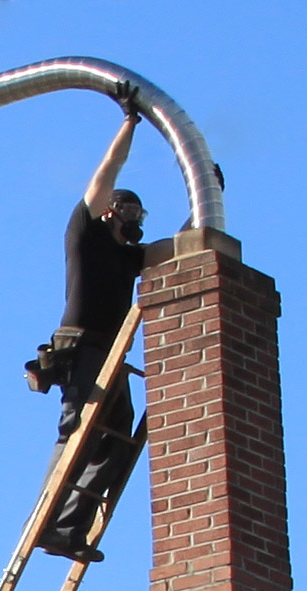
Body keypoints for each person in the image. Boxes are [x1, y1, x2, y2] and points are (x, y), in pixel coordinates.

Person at [34, 82, 178, 563]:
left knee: (115, 440)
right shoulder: (86, 235)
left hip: (111, 358)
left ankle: (69, 530)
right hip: (82, 348)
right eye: (128, 208)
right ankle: (47, 522)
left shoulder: (128, 256)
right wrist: (129, 122)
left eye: (140, 211)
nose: (135, 218)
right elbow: (105, 174)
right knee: (78, 431)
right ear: (112, 210)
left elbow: (181, 247)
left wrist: (209, 196)